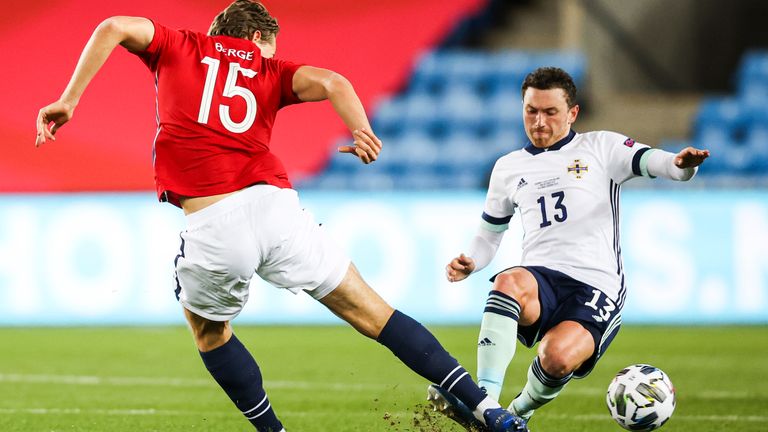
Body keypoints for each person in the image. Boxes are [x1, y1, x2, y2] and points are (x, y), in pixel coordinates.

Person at [34, 1, 529, 431]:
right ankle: (486, 407)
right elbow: (334, 81)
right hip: (276, 207)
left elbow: (114, 25)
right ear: (255, 37)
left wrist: (68, 99)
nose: (265, 55)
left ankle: (273, 430)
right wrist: (360, 130)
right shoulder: (268, 70)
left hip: (213, 220)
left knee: (208, 331)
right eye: (268, 45)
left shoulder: (178, 45)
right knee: (376, 314)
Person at [429, 67, 709, 426]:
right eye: (531, 110)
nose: (539, 122)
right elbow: (489, 235)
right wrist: (473, 261)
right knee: (508, 282)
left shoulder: (601, 147)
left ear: (572, 113)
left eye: (550, 112)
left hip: (596, 286)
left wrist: (682, 166)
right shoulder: (508, 168)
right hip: (542, 276)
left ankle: (515, 416)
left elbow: (661, 163)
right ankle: (485, 404)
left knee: (557, 358)